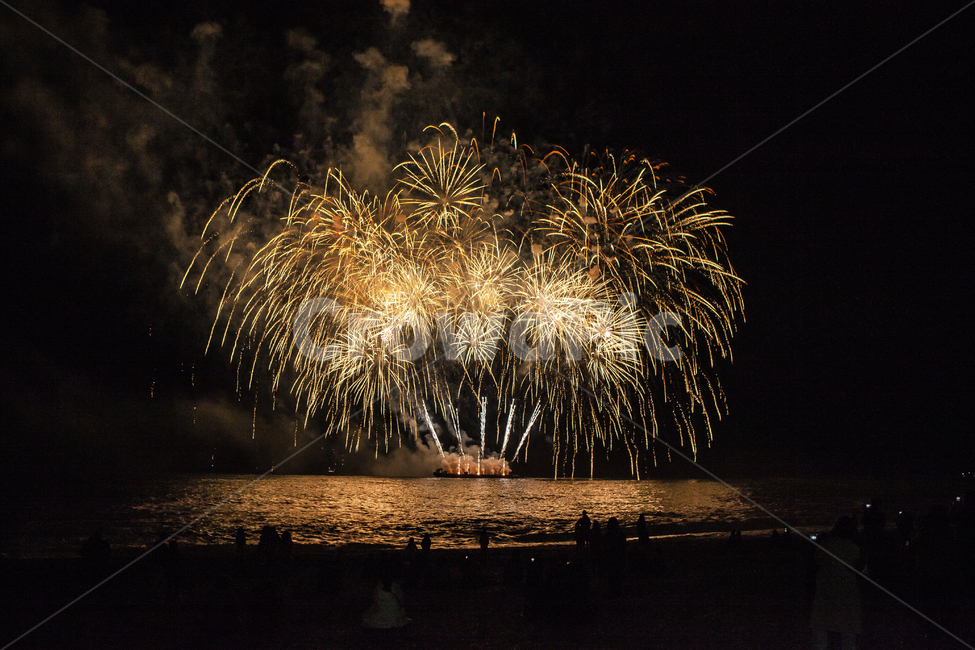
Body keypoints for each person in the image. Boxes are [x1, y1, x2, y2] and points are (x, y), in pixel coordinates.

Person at [810, 516, 862, 650]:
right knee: (848, 630)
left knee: (821, 628)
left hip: (825, 593)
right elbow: (861, 569)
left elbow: (816, 562)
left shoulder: (825, 546)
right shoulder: (853, 548)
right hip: (847, 594)